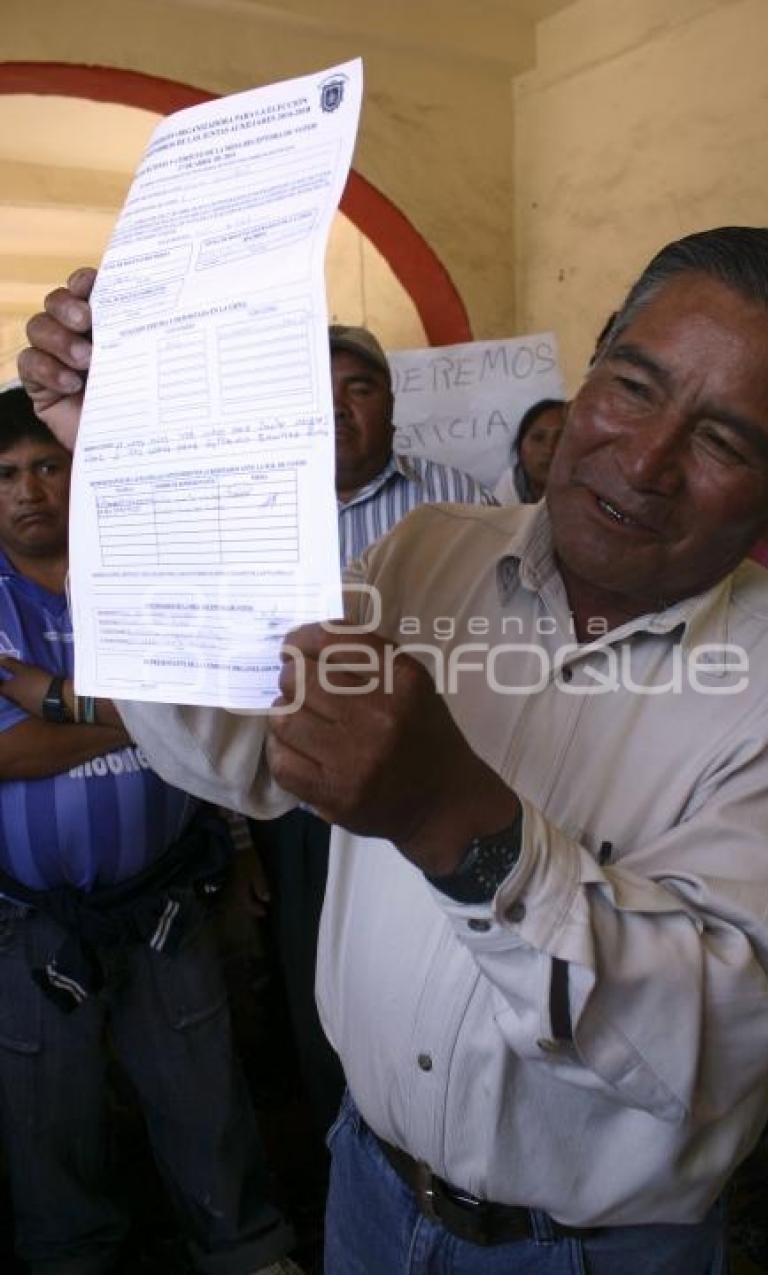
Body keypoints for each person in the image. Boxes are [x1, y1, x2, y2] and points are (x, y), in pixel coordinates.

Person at [20, 227, 768, 1275]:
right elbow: (231, 744)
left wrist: (451, 821)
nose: (644, 460)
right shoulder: (428, 554)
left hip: (591, 1254)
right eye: (632, 386)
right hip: (366, 1186)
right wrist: (129, 477)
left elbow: (708, 1036)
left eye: (724, 441)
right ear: (588, 375)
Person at [0, 387, 300, 1275]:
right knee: (49, 1119)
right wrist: (158, 712)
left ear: (79, 470)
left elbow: (225, 706)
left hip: (168, 897)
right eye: (6, 473)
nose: (28, 491)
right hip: (30, 922)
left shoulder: (141, 579)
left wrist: (51, 696)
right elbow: (13, 756)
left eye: (47, 466)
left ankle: (246, 1250)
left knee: (205, 1092)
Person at [248, 323, 493, 1149]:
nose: (339, 408)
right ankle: (347, 1136)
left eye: (359, 387)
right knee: (323, 965)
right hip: (296, 788)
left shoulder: (455, 499)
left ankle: (447, 1132)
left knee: (441, 959)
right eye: (320, 392)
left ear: (391, 402)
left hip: (437, 776)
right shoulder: (267, 513)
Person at [492, 396, 568, 503]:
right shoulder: (507, 490)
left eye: (561, 438)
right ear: (520, 449)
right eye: (538, 438)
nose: (549, 449)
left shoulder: (592, 491)